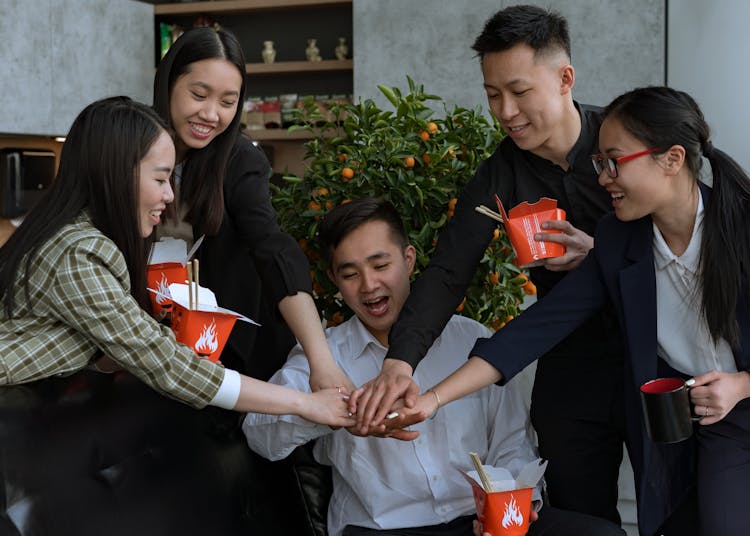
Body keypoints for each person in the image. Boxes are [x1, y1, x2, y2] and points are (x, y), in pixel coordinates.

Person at [389, 86, 750, 536]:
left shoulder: (740, 227)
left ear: (672, 159)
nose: (603, 179)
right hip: (677, 415)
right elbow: (536, 328)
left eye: (614, 162)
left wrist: (741, 384)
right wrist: (429, 400)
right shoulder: (621, 241)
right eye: (599, 163)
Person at [351, 4, 626, 525]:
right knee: (576, 514)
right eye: (492, 94)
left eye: (519, 91)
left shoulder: (621, 145)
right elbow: (449, 272)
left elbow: (677, 239)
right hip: (565, 360)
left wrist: (599, 252)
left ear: (565, 78)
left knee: (674, 503)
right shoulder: (498, 176)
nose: (505, 111)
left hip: (646, 349)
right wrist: (400, 361)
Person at [243, 198, 626, 536]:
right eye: (350, 274)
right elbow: (260, 438)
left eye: (381, 265)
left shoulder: (470, 340)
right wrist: (320, 412)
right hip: (381, 529)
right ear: (334, 281)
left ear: (408, 259)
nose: (369, 285)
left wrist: (511, 504)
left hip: (477, 520)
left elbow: (513, 442)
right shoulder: (323, 356)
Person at [0, 96, 355, 429]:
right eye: (160, 178)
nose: (169, 196)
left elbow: (102, 349)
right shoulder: (77, 252)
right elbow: (165, 364)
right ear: (116, 174)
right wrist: (304, 404)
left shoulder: (70, 236)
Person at [153, 27, 352, 390]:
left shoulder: (241, 160)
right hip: (147, 340)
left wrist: (320, 361)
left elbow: (271, 245)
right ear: (167, 84)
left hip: (226, 352)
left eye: (228, 103)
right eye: (199, 94)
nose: (211, 114)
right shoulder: (131, 149)